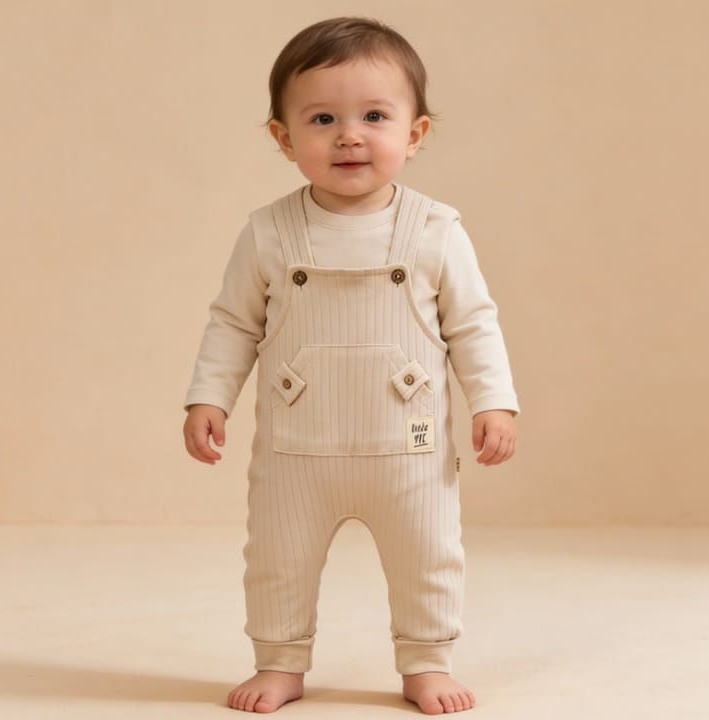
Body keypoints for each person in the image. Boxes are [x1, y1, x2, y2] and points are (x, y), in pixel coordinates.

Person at [183, 16, 520, 715]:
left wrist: (495, 402)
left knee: (428, 555)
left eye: (374, 116)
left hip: (410, 450)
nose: (349, 135)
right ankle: (279, 660)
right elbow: (234, 323)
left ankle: (426, 661)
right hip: (295, 452)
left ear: (414, 134)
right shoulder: (268, 232)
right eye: (322, 119)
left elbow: (473, 324)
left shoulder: (436, 230)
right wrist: (207, 397)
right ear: (283, 138)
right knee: (278, 559)